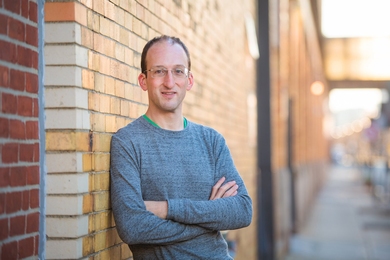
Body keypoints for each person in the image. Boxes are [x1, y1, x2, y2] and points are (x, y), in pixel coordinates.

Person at [110, 35, 252, 260]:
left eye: (178, 71)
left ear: (189, 80)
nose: (169, 82)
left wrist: (166, 209)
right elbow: (132, 226)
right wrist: (208, 218)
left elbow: (242, 211)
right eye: (158, 71)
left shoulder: (211, 141)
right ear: (143, 80)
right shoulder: (127, 142)